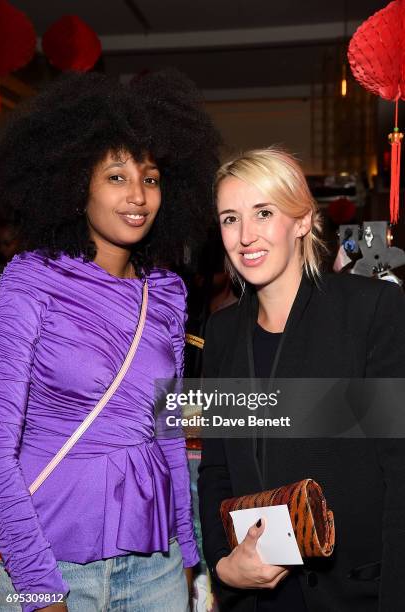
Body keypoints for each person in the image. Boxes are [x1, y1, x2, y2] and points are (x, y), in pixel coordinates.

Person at [0, 70, 220, 612]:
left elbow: (166, 434)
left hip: (156, 563)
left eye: (151, 177)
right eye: (117, 176)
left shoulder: (166, 294)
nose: (139, 195)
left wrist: (190, 562)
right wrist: (35, 584)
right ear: (78, 186)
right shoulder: (29, 281)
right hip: (48, 558)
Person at [198, 147, 405, 612]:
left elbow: (399, 471)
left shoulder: (371, 311)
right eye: (230, 219)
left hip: (354, 595)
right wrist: (224, 562)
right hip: (255, 598)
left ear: (302, 222)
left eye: (264, 213)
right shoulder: (224, 332)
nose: (245, 236)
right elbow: (216, 469)